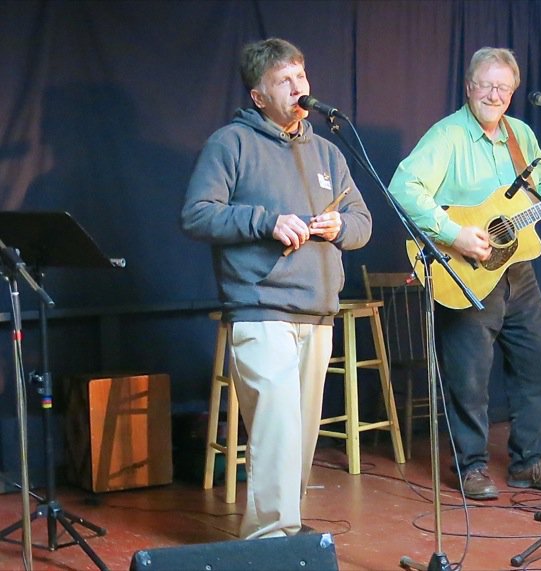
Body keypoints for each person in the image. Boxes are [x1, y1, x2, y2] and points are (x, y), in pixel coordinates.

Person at [387, 47, 541, 500]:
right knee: (469, 378)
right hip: (466, 272)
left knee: (539, 371)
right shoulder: (447, 136)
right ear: (470, 87)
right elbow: (402, 187)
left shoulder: (521, 135)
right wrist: (453, 233)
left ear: (512, 92)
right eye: (486, 85)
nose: (494, 95)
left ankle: (528, 462)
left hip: (519, 270)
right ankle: (470, 467)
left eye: (503, 88)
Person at [181, 38, 372, 537]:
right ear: (258, 95)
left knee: (303, 436)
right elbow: (198, 214)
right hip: (260, 308)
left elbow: (363, 221)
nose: (298, 89)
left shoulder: (329, 150)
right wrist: (266, 222)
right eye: (284, 81)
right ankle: (270, 544)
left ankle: (288, 534)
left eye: (301, 78)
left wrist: (339, 229)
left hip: (317, 311)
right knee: (278, 431)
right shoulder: (231, 143)